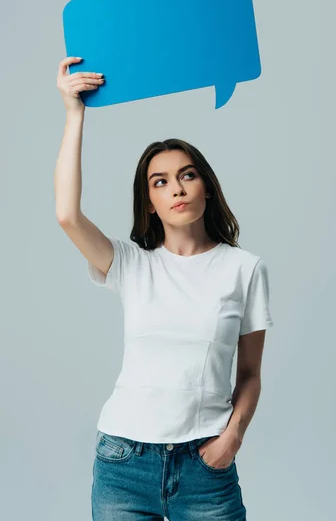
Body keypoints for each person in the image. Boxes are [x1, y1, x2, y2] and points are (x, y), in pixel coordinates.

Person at [55, 56, 273, 521]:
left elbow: (250, 374)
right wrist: (75, 114)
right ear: (150, 202)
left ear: (206, 187)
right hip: (123, 466)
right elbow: (67, 216)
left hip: (205, 467)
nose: (176, 188)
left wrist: (232, 437)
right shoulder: (131, 264)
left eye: (187, 175)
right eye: (161, 182)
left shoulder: (245, 269)